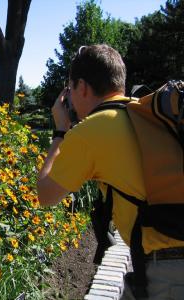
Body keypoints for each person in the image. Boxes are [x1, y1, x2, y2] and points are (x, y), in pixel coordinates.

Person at [37, 44, 184, 299]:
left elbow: (46, 194)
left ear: (81, 87)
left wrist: (60, 131)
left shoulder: (92, 130)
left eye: (70, 89)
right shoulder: (144, 114)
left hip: (168, 275)